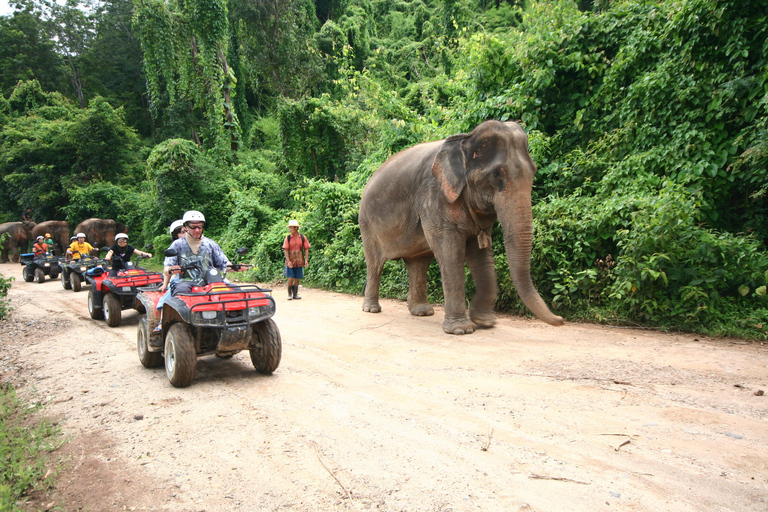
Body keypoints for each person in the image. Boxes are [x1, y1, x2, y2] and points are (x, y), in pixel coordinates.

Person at [155, 212, 241, 333]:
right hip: (186, 280)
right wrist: (171, 269)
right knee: (181, 292)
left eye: (200, 227)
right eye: (193, 227)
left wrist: (235, 267)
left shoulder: (210, 244)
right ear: (186, 227)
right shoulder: (177, 245)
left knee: (237, 291)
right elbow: (167, 267)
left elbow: (223, 264)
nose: (197, 230)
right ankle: (184, 322)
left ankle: (234, 319)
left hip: (210, 280)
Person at [282, 219, 310, 300]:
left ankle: (295, 294)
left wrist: (306, 260)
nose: (290, 229)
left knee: (297, 277)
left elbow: (306, 249)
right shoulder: (288, 238)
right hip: (290, 261)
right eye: (289, 228)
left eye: (291, 228)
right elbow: (286, 250)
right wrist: (288, 261)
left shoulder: (303, 238)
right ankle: (289, 294)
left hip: (299, 261)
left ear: (296, 228)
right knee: (290, 277)